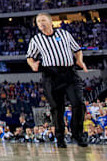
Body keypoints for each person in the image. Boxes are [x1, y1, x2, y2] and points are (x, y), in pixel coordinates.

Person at [26, 12, 89, 148]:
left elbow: (77, 49)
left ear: (50, 21)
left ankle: (77, 134)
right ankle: (60, 137)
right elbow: (30, 57)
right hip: (51, 75)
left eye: (43, 20)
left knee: (78, 103)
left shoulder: (64, 34)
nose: (40, 24)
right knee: (57, 108)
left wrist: (79, 60)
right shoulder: (36, 40)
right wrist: (33, 64)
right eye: (38, 22)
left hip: (69, 73)